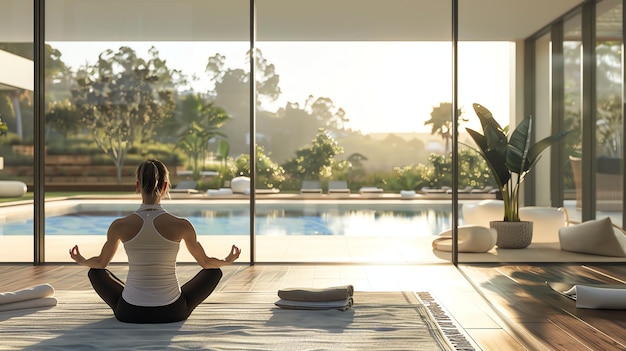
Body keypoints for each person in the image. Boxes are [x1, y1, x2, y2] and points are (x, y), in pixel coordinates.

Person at [69, 159, 241, 323]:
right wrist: (227, 260)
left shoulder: (120, 225)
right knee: (214, 272)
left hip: (129, 313)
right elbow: (206, 263)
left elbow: (100, 263)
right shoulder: (181, 225)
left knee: (95, 272)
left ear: (137, 186)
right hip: (172, 312)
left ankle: (133, 300)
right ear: (165, 187)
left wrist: (82, 260)